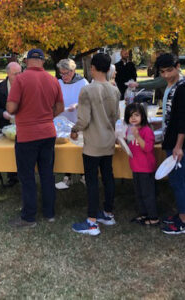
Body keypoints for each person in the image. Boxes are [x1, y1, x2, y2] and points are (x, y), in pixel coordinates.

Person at [6, 48, 64, 228]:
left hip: (27, 135)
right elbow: (60, 107)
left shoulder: (21, 79)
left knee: (27, 176)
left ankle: (29, 217)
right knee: (47, 174)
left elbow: (11, 108)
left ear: (27, 61)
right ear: (43, 62)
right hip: (48, 133)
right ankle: (49, 213)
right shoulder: (53, 80)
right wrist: (46, 117)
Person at [71, 53, 120, 236]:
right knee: (108, 177)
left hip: (92, 144)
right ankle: (108, 213)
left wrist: (75, 129)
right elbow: (116, 117)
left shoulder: (87, 90)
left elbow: (83, 119)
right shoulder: (114, 90)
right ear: (109, 69)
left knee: (92, 181)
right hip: (108, 141)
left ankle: (92, 221)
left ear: (92, 68)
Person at [155, 53, 185, 234]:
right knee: (180, 179)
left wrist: (178, 146)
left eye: (169, 71)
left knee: (178, 180)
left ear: (178, 66)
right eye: (162, 72)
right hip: (171, 139)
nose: (165, 75)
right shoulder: (172, 85)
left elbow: (184, 119)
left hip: (180, 142)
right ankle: (183, 213)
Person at [54, 58, 89, 190]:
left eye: (66, 73)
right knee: (65, 150)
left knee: (79, 149)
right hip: (62, 121)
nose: (64, 77)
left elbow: (88, 101)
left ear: (73, 70)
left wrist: (77, 105)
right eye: (61, 73)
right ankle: (67, 176)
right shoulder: (58, 83)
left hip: (77, 121)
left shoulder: (83, 83)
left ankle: (82, 174)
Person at [124, 103, 158, 225]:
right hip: (136, 166)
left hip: (146, 168)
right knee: (139, 192)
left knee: (147, 193)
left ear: (142, 116)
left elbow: (148, 148)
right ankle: (143, 214)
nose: (133, 118)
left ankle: (153, 217)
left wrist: (137, 136)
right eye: (130, 116)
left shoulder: (146, 130)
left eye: (136, 115)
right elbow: (129, 145)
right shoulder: (129, 129)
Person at [0, 62, 22, 187]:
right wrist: (3, 113)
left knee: (23, 151)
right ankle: (12, 177)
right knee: (8, 152)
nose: (19, 76)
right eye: (15, 74)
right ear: (8, 74)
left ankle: (24, 174)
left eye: (20, 72)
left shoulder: (27, 85)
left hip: (24, 126)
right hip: (6, 127)